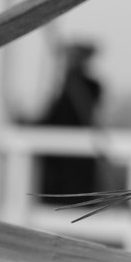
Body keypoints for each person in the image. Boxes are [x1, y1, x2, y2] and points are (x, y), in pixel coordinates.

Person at [35, 40, 103, 204]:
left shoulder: (90, 86)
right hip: (57, 163)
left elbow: (77, 115)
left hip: (77, 163)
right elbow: (52, 120)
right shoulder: (63, 86)